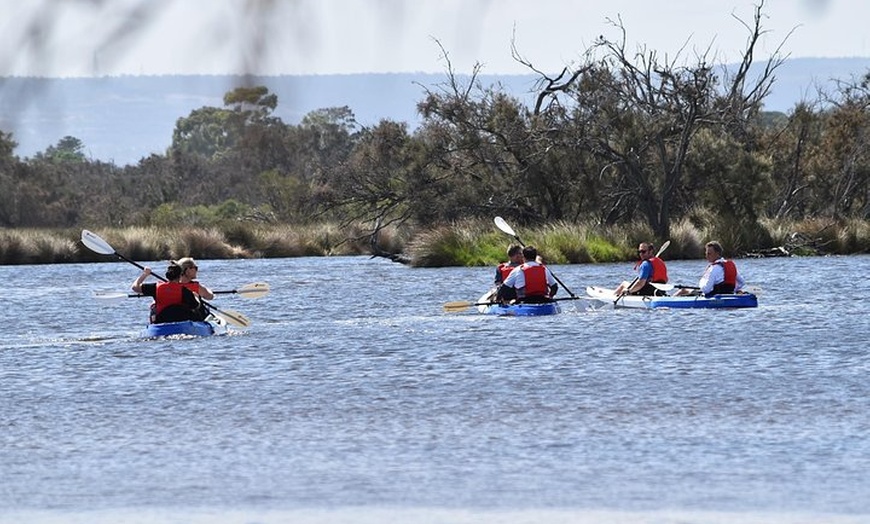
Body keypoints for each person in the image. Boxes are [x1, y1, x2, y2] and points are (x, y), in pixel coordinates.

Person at [132, 257, 214, 323]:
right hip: (181, 319)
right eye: (195, 268)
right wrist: (196, 297)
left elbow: (135, 287)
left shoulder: (156, 287)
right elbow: (196, 305)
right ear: (180, 275)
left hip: (161, 319)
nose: (196, 270)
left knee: (154, 305)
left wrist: (145, 274)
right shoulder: (185, 291)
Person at [676, 241, 746, 296]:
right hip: (729, 294)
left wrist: (701, 285)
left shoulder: (714, 268)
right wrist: (734, 290)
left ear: (717, 253)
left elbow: (706, 290)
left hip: (714, 296)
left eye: (709, 253)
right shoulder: (730, 265)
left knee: (683, 290)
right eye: (706, 253)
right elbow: (742, 282)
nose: (706, 256)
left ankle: (668, 300)